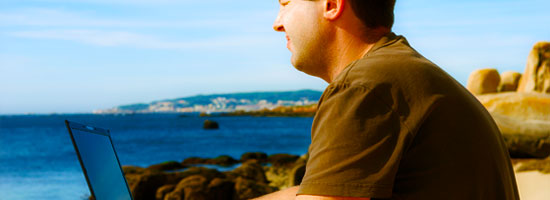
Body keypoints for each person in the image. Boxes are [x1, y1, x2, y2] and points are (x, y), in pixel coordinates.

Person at [254, 0, 520, 200]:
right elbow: (324, 189)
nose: (277, 23)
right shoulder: (403, 72)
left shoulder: (364, 86)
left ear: (332, 5)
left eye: (285, 3)